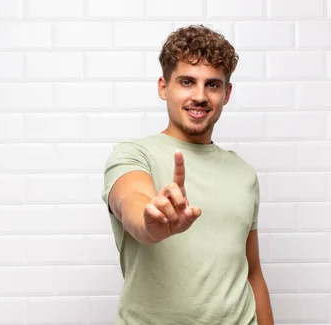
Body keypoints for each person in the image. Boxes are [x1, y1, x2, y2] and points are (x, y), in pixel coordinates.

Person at [101, 24, 274, 325]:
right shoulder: (133, 154)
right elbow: (132, 203)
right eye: (186, 82)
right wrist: (153, 221)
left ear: (227, 93)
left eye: (212, 85)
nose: (200, 96)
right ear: (163, 87)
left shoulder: (243, 173)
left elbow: (253, 272)